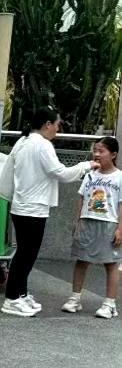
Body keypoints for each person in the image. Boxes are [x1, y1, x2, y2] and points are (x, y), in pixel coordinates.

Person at [1, 107, 96, 318]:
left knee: (25, 253)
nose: (57, 129)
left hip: (22, 205)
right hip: (33, 208)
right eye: (57, 125)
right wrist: (86, 165)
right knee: (26, 255)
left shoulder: (23, 141)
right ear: (47, 124)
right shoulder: (42, 145)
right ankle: (11, 298)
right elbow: (61, 173)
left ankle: (21, 293)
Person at [62, 136, 121, 319]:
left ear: (113, 154)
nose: (96, 154)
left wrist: (120, 229)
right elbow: (81, 197)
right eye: (95, 150)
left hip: (109, 223)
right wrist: (77, 220)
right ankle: (75, 299)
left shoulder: (119, 177)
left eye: (101, 151)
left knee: (111, 264)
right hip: (87, 221)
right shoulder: (90, 175)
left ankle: (109, 304)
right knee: (82, 260)